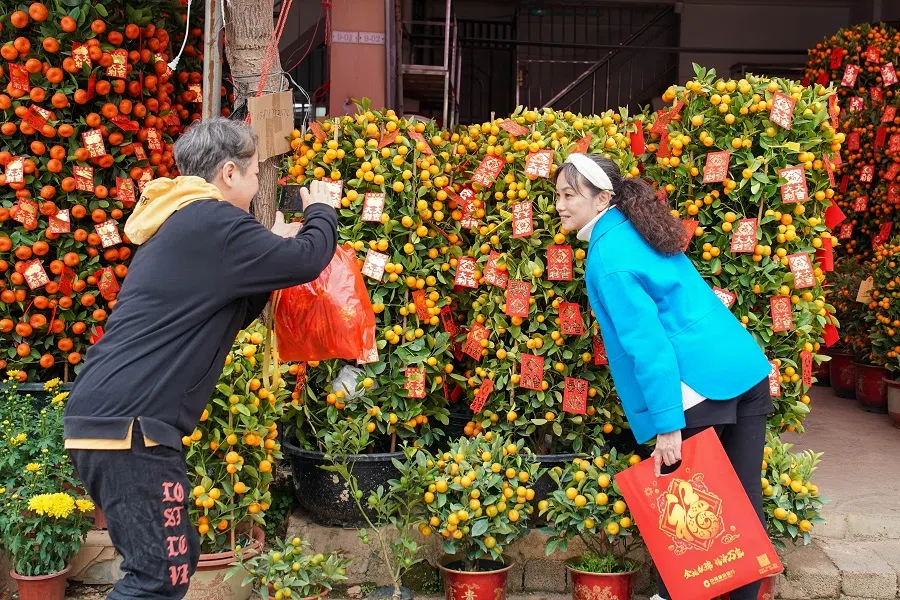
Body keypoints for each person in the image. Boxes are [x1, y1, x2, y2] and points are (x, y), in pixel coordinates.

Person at [64, 118, 338, 600]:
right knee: (158, 577)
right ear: (229, 173)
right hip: (132, 426)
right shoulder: (215, 223)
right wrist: (322, 211)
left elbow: (232, 305)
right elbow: (306, 260)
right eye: (255, 174)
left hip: (114, 417)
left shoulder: (181, 220)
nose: (257, 187)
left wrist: (270, 248)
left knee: (177, 558)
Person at [554, 153, 773, 600]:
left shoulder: (608, 257)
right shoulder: (637, 229)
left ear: (602, 199)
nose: (558, 205)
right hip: (742, 371)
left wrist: (667, 426)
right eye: (557, 194)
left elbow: (647, 345)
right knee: (743, 509)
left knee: (687, 520)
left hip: (695, 388)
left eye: (569, 195)